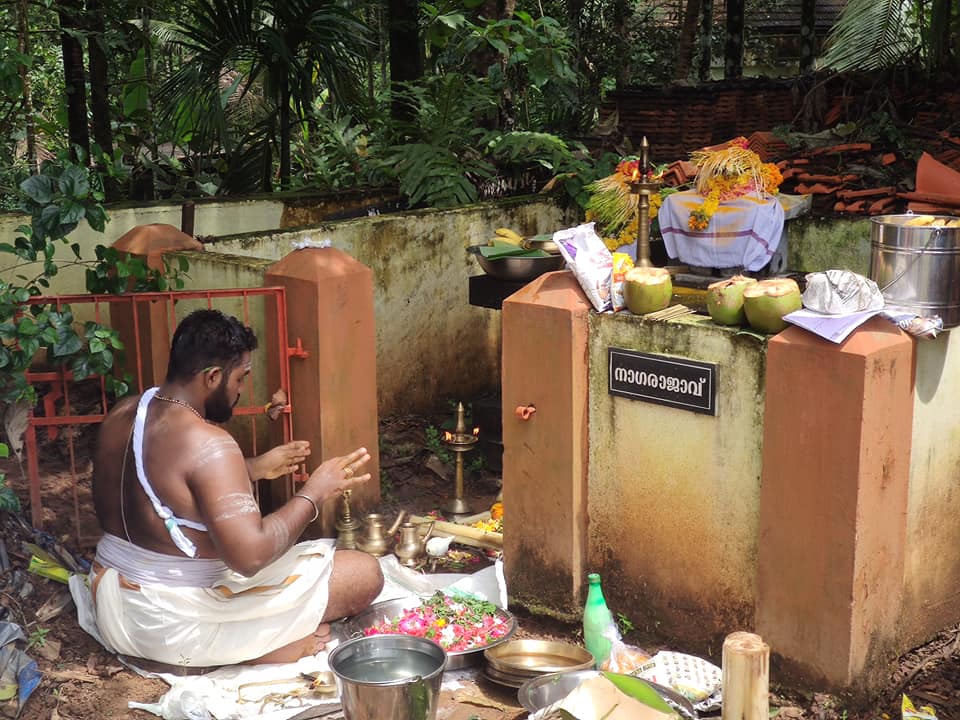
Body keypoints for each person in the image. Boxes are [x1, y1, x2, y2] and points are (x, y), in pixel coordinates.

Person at [89, 309, 384, 669]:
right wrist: (313, 493)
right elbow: (251, 557)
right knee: (362, 574)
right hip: (173, 626)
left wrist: (255, 468)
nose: (241, 391)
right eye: (241, 378)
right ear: (213, 376)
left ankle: (238, 646)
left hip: (111, 604)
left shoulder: (125, 411)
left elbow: (167, 484)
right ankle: (254, 652)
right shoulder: (211, 443)